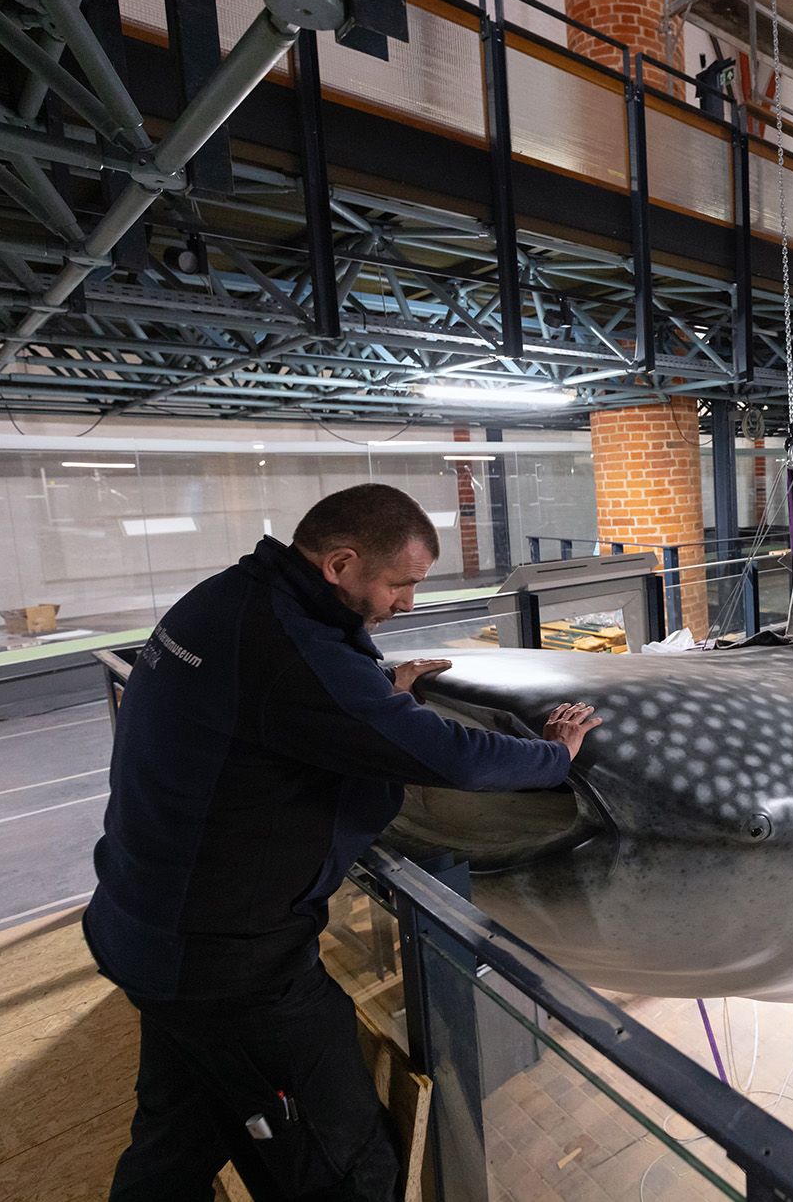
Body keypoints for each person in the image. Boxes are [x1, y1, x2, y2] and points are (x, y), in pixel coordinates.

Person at [87, 483, 604, 1199]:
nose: (408, 603)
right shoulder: (294, 649)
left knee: (176, 1138)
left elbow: (280, 714)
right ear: (339, 565)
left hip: (144, 926)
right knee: (344, 1168)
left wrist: (373, 701)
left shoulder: (226, 599)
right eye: (400, 583)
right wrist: (553, 758)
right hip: (230, 967)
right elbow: (448, 756)